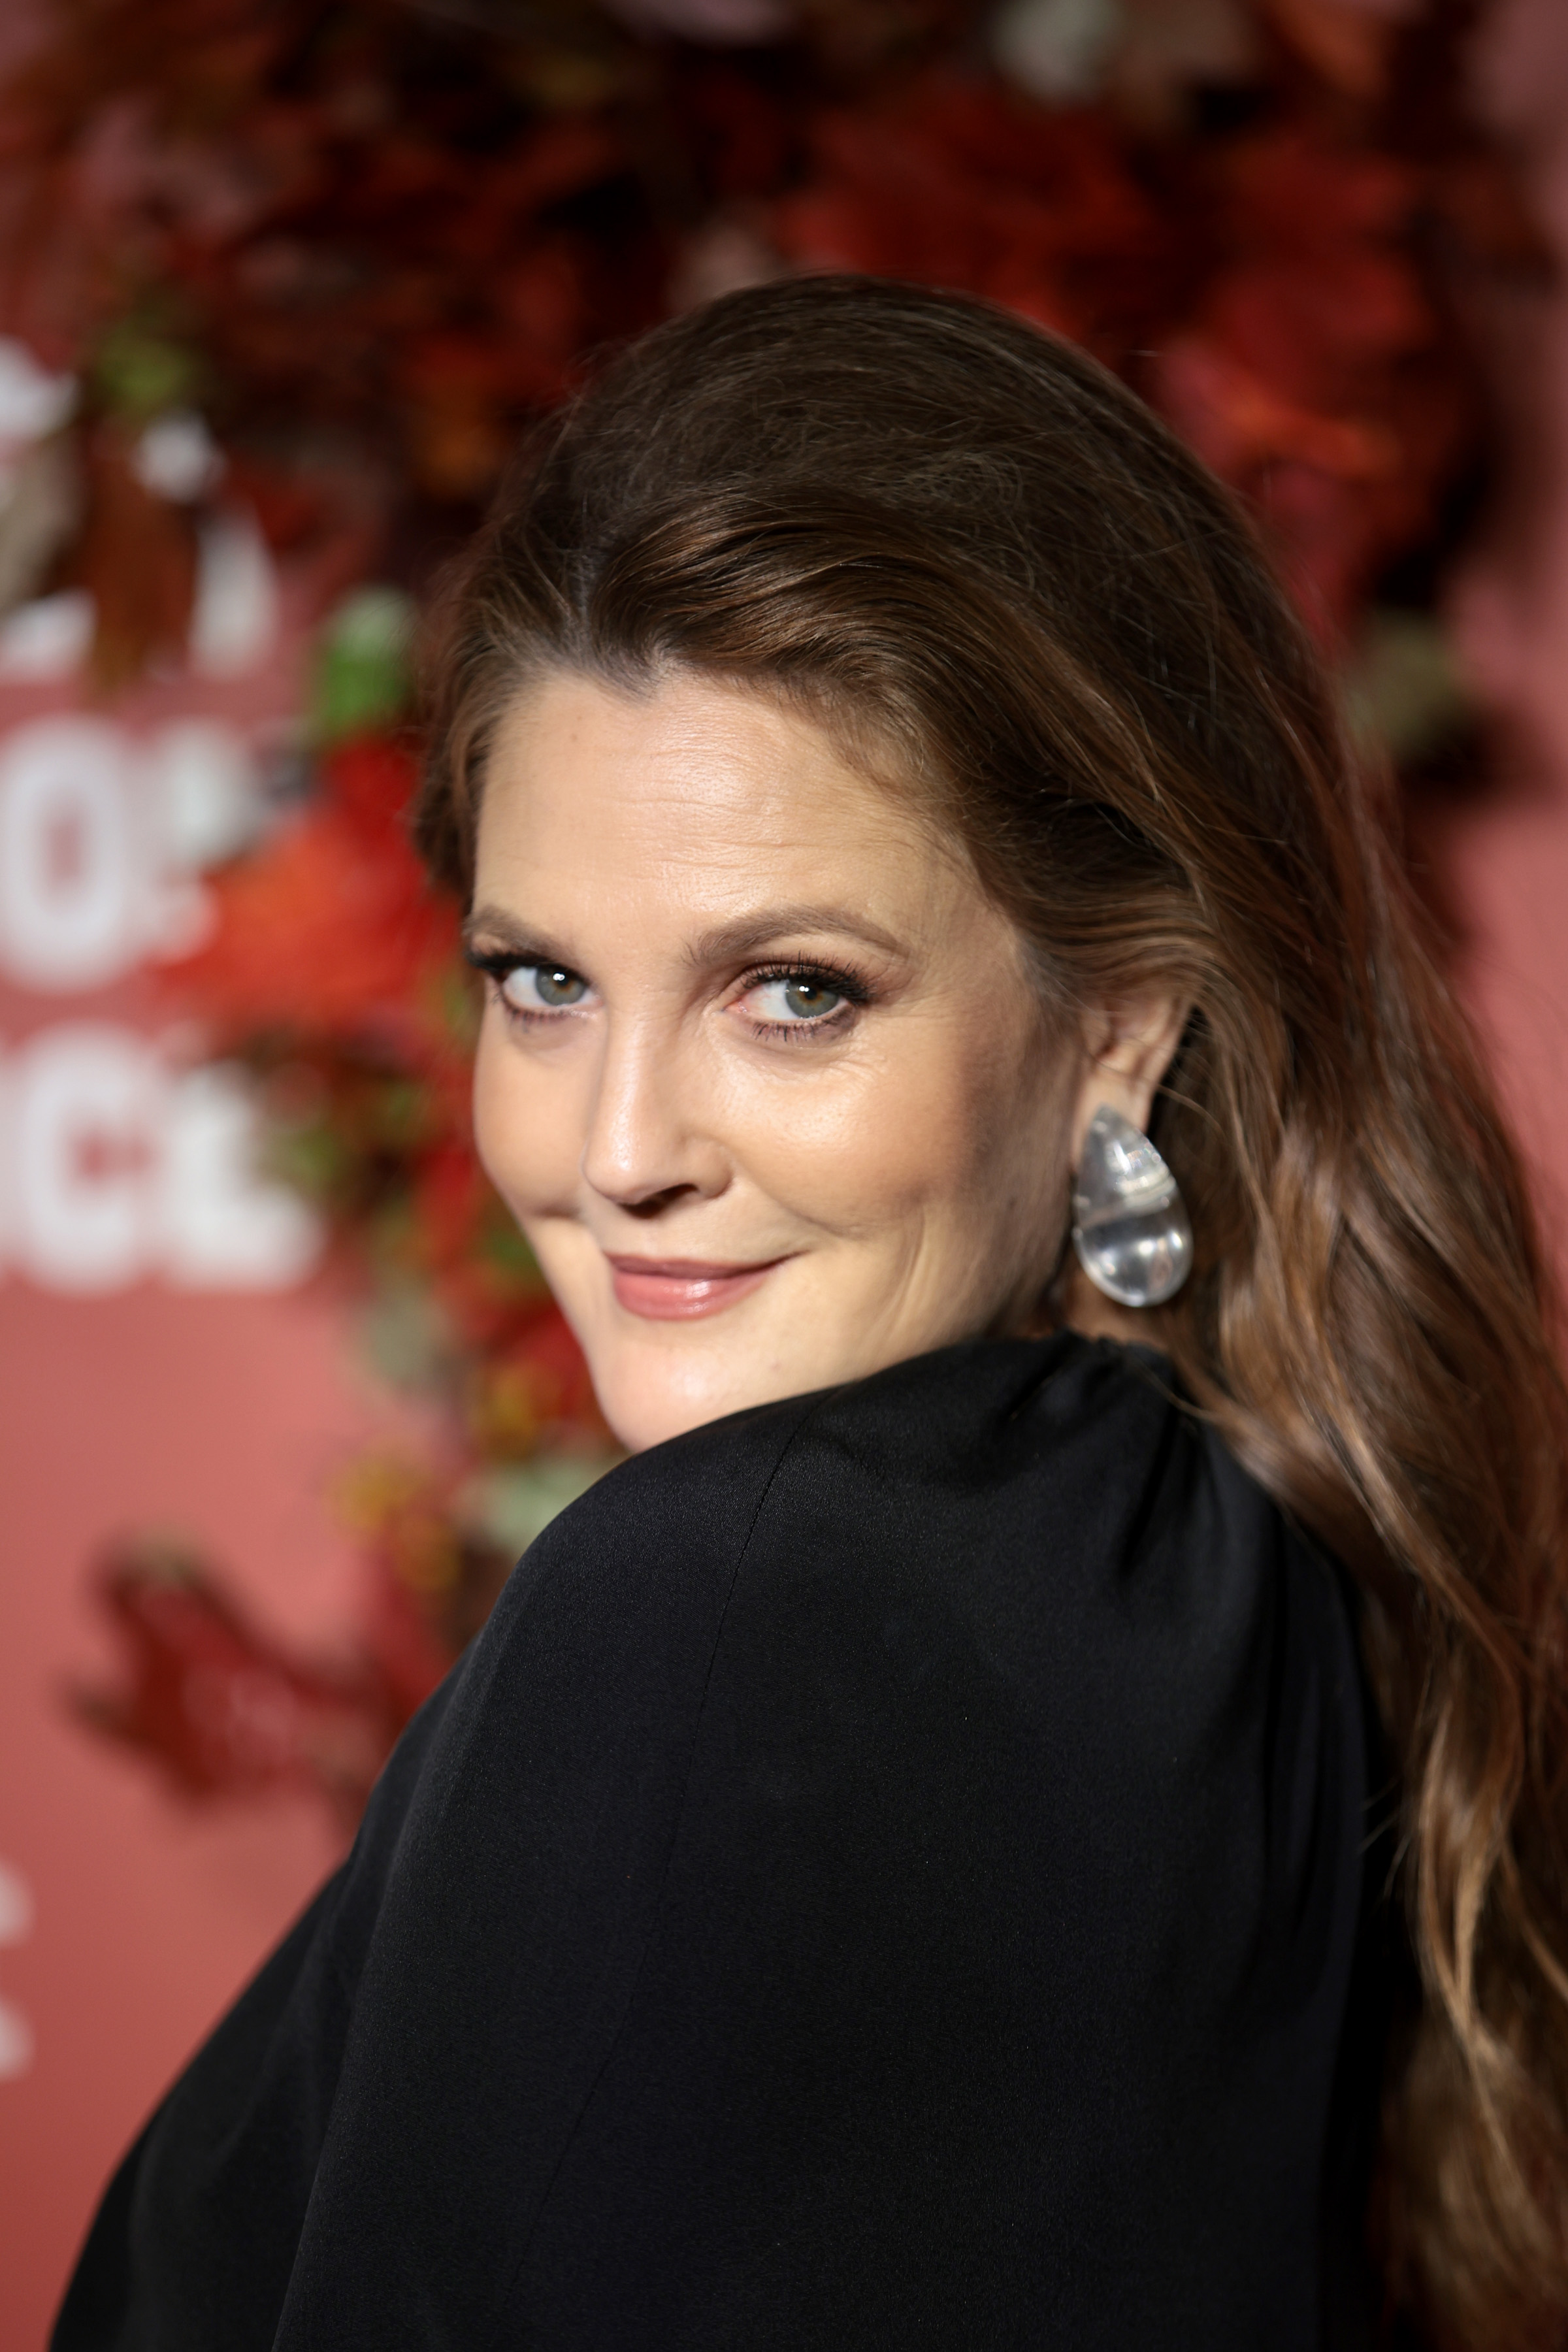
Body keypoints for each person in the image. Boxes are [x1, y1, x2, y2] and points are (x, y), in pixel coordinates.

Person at [53, 278, 1568, 2351]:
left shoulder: (740, 1607)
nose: (623, 1146)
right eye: (543, 981)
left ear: (1118, 1028)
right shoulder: (1232, 1577)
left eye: (798, 993)